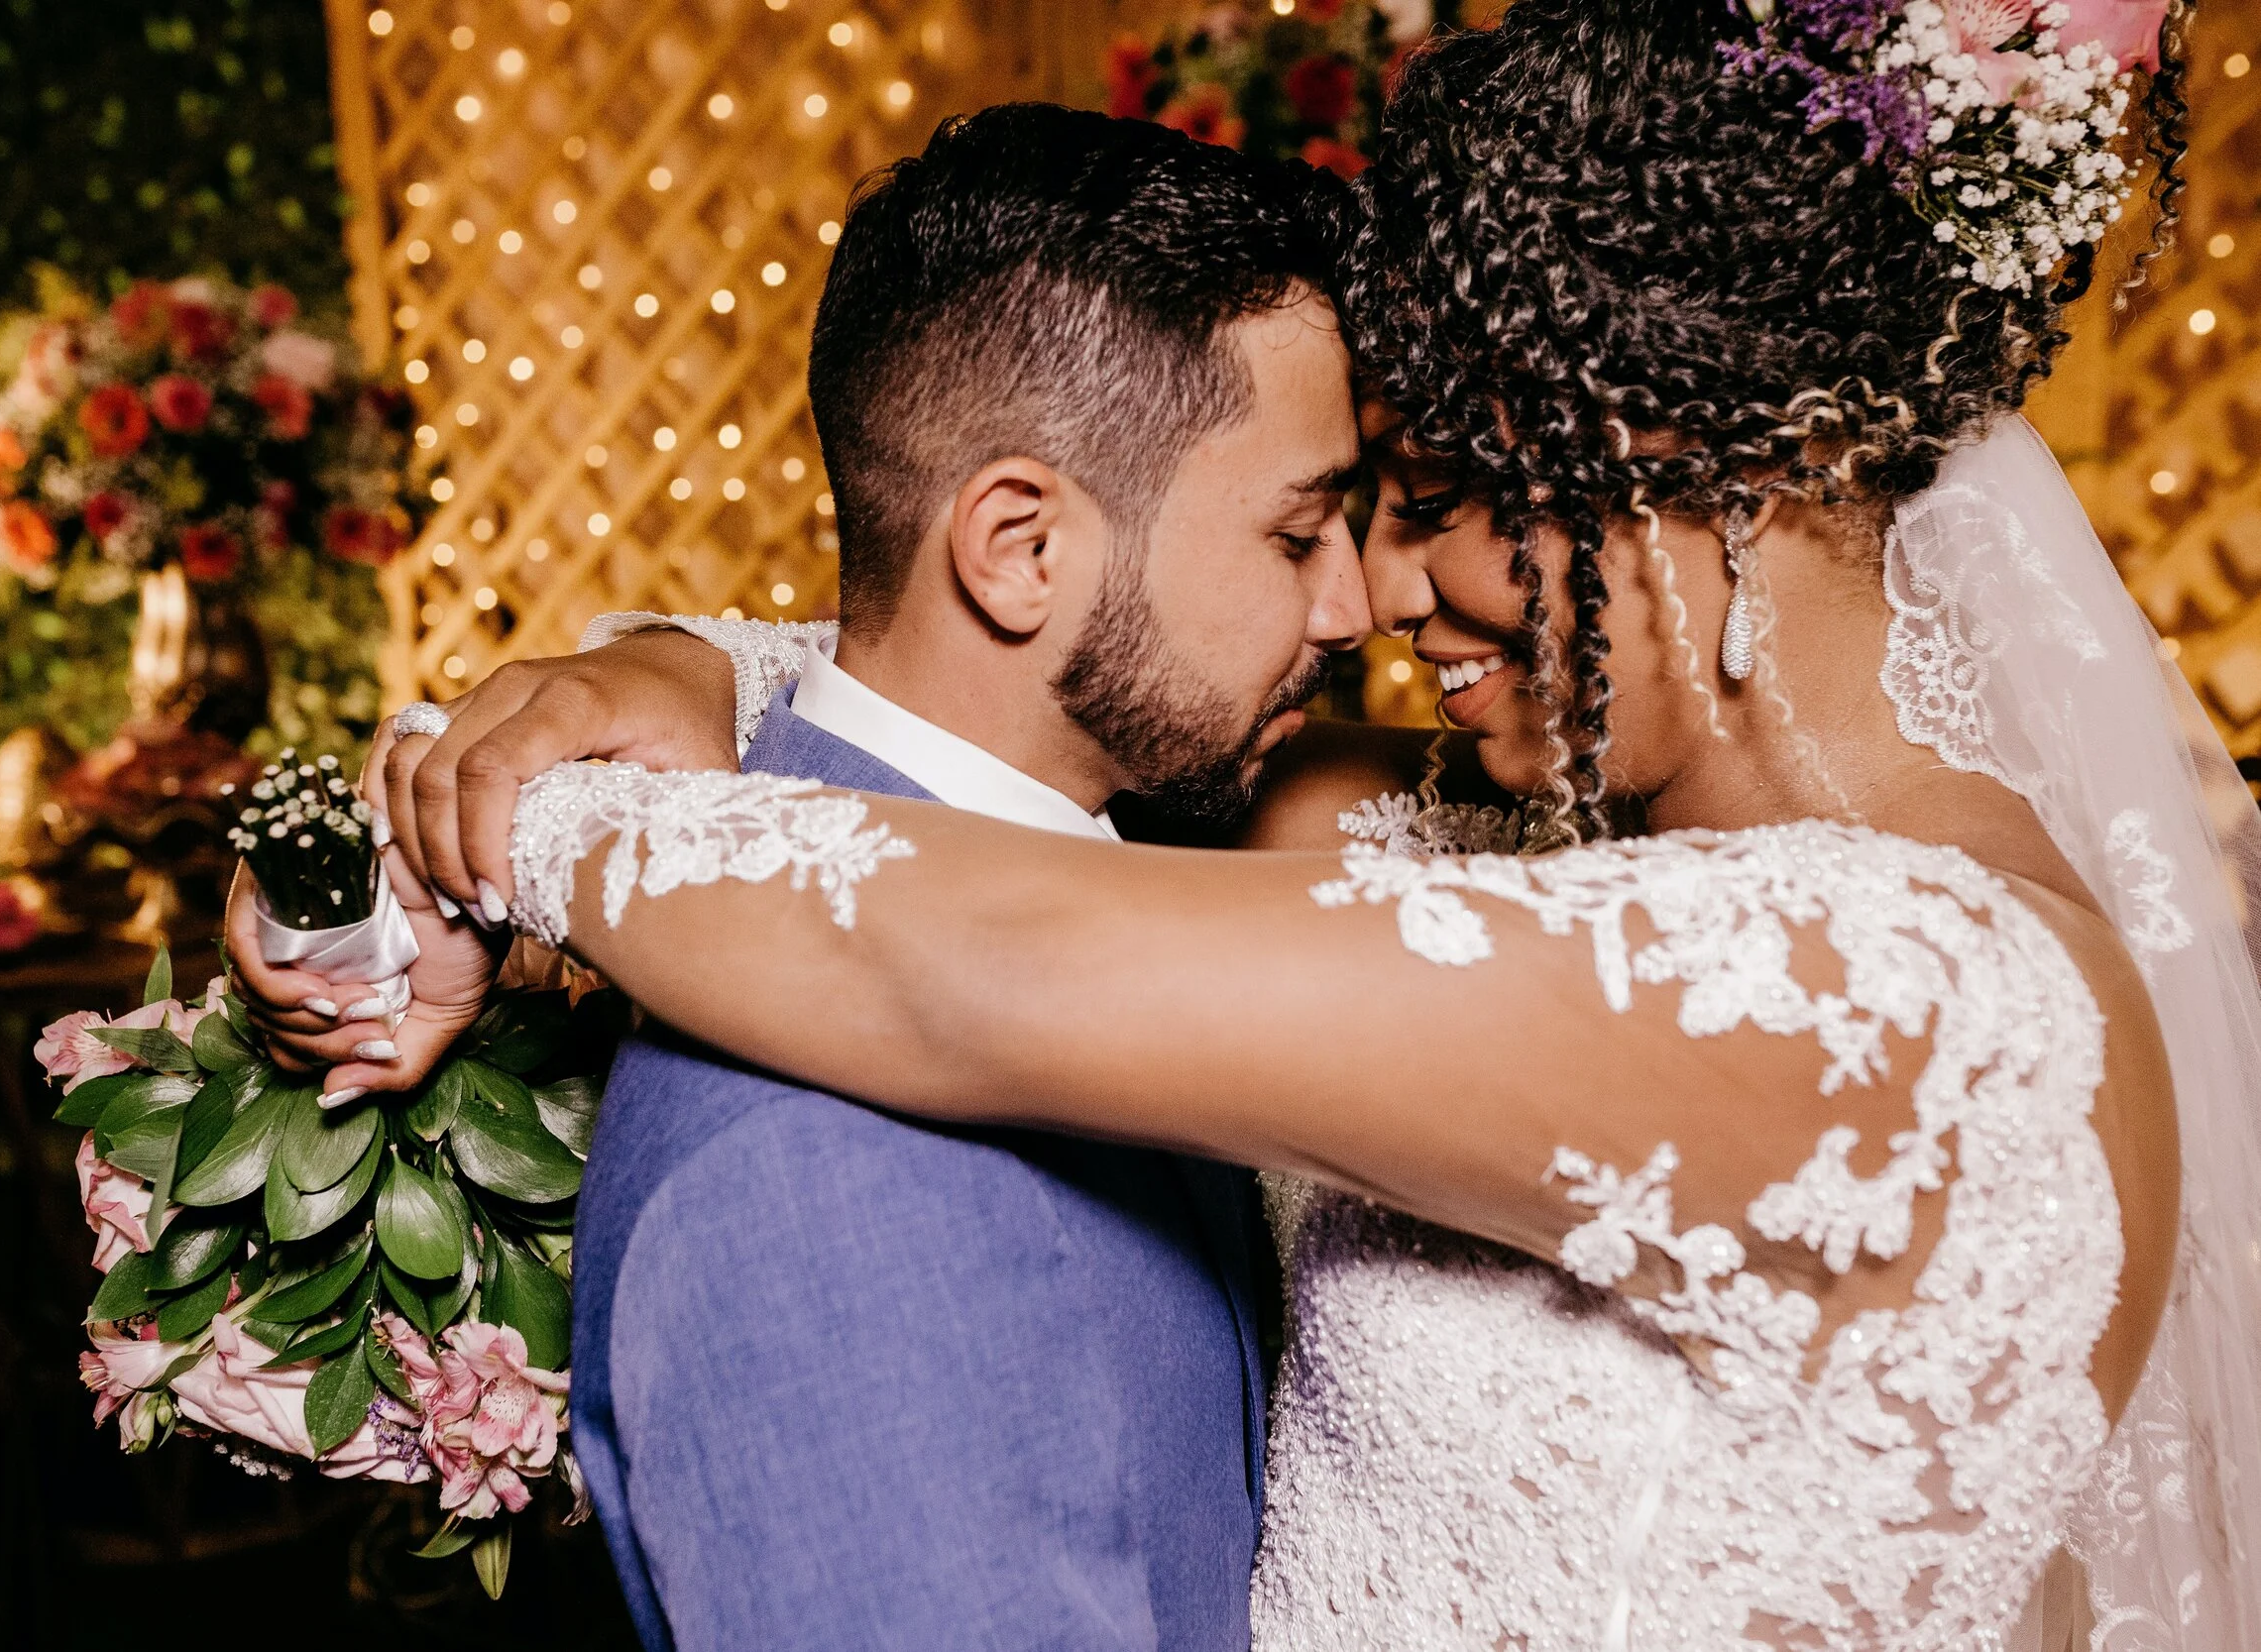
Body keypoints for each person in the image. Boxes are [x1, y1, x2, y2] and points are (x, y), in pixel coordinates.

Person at [284, 1, 2261, 1647]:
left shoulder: (1913, 997)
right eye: (1328, 520)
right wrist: (652, 677)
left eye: (1420, 499)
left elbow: (961, 953)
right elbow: (1034, 667)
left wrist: (503, 824)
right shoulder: (1436, 831)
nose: (1377, 599)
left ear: (1681, 468)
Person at [233, 103, 1434, 1649]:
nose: (1356, 605)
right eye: (1299, 530)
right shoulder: (813, 1179)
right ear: (1016, 548)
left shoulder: (1133, 842)